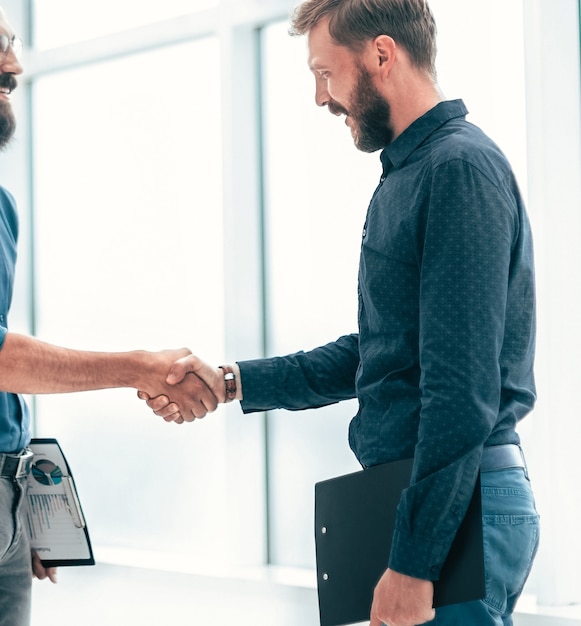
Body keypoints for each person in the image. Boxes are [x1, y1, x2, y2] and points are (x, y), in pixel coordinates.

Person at [144, 1, 540, 624]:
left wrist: (415, 565)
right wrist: (230, 383)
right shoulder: (412, 173)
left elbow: (462, 390)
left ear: (381, 55)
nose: (321, 98)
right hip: (433, 504)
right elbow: (383, 351)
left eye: (325, 73)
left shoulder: (457, 170)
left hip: (458, 512)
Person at [0, 7, 217, 626]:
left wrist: (23, 503)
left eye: (13, 44)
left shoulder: (2, 207)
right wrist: (140, 368)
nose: (14, 65)